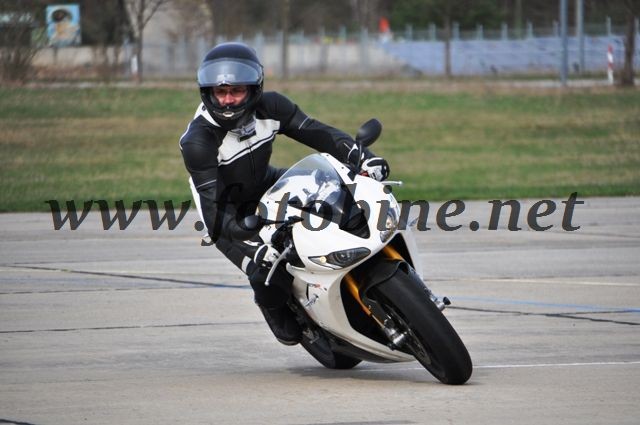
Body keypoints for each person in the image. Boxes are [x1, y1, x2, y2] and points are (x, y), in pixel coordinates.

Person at [179, 42, 389, 346]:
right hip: (226, 211)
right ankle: (272, 306)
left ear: (254, 89)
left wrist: (362, 158)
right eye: (220, 92)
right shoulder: (198, 141)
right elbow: (213, 207)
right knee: (267, 270)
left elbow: (319, 134)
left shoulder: (272, 106)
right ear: (207, 93)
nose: (227, 100)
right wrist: (246, 238)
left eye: (236, 91)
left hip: (268, 182)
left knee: (335, 194)